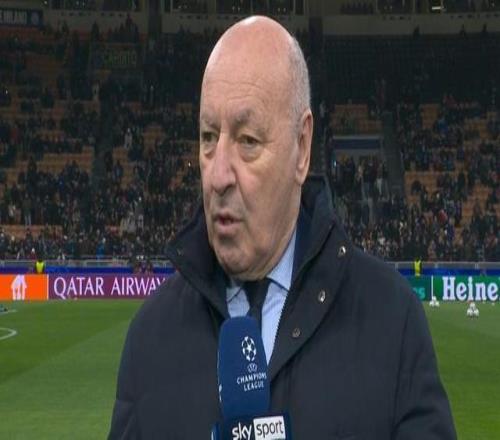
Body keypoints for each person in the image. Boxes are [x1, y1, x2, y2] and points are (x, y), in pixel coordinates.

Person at [109, 16, 456, 439]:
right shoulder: (150, 339)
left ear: (302, 148)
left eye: (248, 141)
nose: (218, 175)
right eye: (208, 137)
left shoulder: (392, 319)